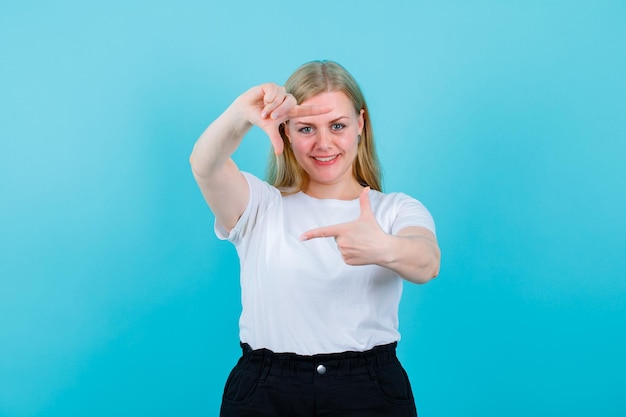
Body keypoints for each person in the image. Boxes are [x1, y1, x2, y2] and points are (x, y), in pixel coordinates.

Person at [190, 60, 440, 417]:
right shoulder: (259, 206)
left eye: (337, 125)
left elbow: (428, 261)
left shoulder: (395, 210)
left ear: (360, 125)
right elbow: (205, 164)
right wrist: (242, 112)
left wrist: (382, 247)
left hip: (369, 391)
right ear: (286, 132)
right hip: (267, 391)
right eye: (307, 128)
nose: (324, 143)